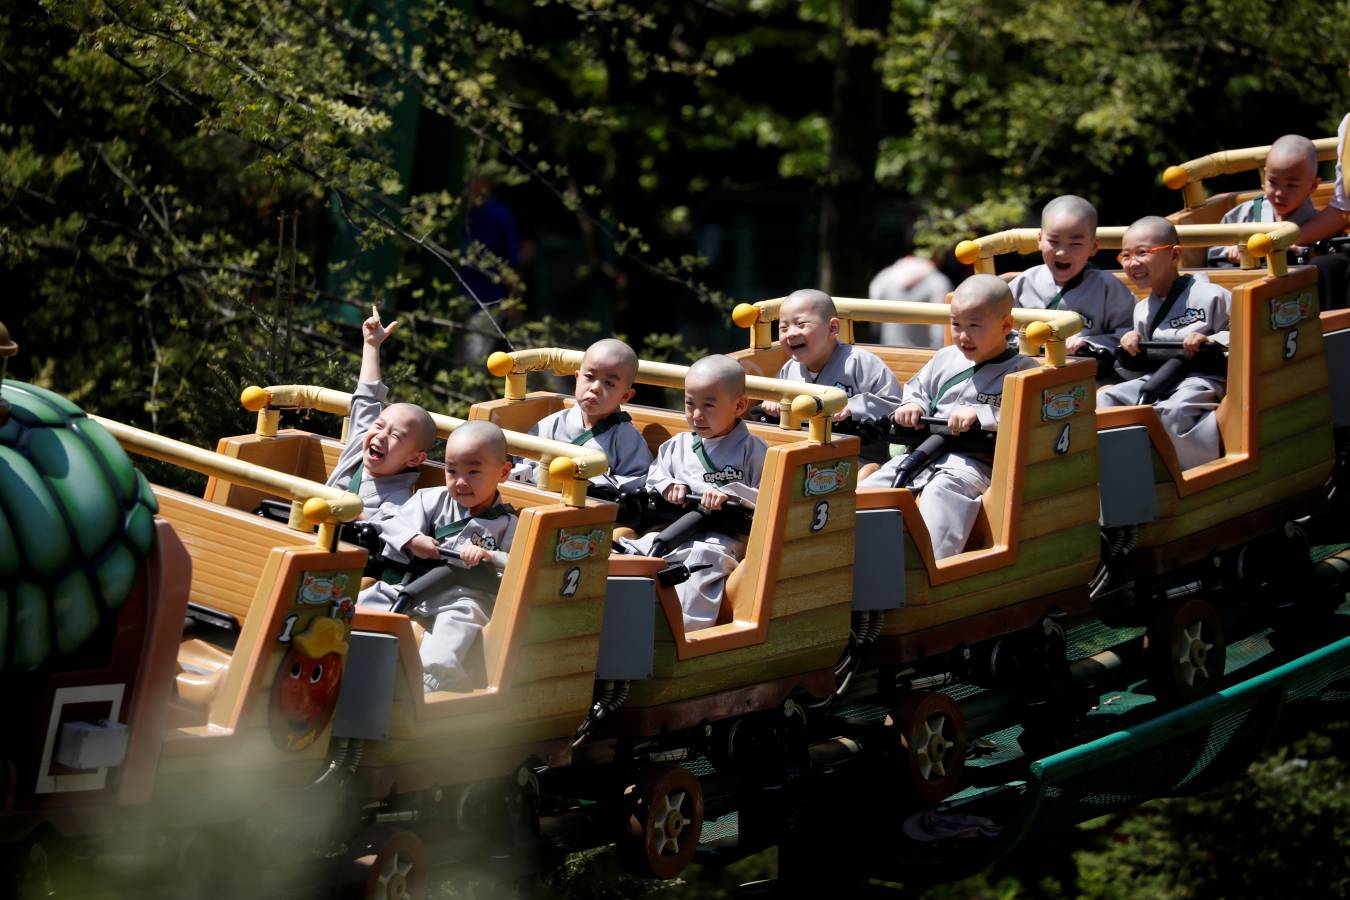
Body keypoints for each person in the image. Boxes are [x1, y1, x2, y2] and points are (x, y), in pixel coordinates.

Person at [861, 275, 1037, 560]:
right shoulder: (945, 358)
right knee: (875, 486)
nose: (963, 336)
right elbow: (917, 390)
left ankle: (929, 567)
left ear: (1005, 326)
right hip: (923, 453)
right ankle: (856, 560)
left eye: (974, 326)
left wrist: (981, 413)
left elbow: (1023, 414)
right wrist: (912, 405)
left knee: (942, 492)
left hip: (973, 463)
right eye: (956, 325)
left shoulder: (1021, 367)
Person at [358, 421, 517, 693]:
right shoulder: (428, 499)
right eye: (451, 470)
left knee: (457, 624)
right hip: (407, 587)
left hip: (461, 597)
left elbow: (517, 562)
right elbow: (388, 521)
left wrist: (489, 556)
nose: (461, 482)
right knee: (361, 602)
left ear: (503, 472)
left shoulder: (507, 522)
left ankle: (432, 681)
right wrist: (413, 539)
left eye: (474, 472)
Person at [616, 356, 769, 632]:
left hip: (723, 538)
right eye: (690, 404)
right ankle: (624, 623)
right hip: (676, 529)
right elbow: (655, 475)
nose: (697, 415)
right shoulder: (678, 445)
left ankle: (686, 633)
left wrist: (730, 494)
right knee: (634, 549)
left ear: (739, 405)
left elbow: (767, 494)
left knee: (701, 561)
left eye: (708, 405)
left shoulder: (753, 449)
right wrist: (668, 486)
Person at [1099, 217, 1231, 470]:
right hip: (1158, 378)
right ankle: (1123, 471)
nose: (1132, 263)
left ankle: (1191, 476)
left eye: (1142, 253)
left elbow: (1241, 333)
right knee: (1107, 401)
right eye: (1125, 256)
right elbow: (1135, 368)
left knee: (1176, 411)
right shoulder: (1142, 310)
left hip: (1202, 377)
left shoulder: (1212, 295)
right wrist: (1131, 345)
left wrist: (1211, 340)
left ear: (1174, 255)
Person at [758, 289, 903, 466]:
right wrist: (774, 402)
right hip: (803, 455)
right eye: (783, 328)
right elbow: (776, 397)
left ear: (833, 328)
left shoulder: (860, 362)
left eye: (801, 324)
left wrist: (853, 407)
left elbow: (894, 404)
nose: (791, 333)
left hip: (857, 455)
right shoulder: (789, 369)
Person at [327, 305, 438, 516]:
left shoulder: (398, 501)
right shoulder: (359, 445)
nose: (381, 436)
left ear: (414, 459)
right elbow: (367, 396)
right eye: (379, 426)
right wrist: (371, 345)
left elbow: (385, 532)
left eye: (395, 435)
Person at [509, 338, 652, 496]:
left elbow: (638, 481)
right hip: (542, 499)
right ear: (577, 378)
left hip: (589, 511)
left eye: (609, 383)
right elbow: (524, 461)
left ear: (625, 396)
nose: (595, 388)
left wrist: (591, 482)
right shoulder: (553, 423)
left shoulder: (626, 437)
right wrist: (546, 477)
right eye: (590, 377)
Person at [1009, 195, 1135, 356]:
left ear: (1093, 246)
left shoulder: (1108, 287)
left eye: (1075, 244)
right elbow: (1002, 329)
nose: (1062, 252)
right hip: (1027, 369)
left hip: (1090, 374)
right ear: (1040, 240)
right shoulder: (1024, 283)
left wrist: (1088, 344)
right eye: (1053, 241)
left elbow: (1128, 335)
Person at [869, 252, 953, 348]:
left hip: (888, 351)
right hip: (922, 355)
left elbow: (874, 318)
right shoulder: (938, 282)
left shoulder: (886, 275)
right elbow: (940, 330)